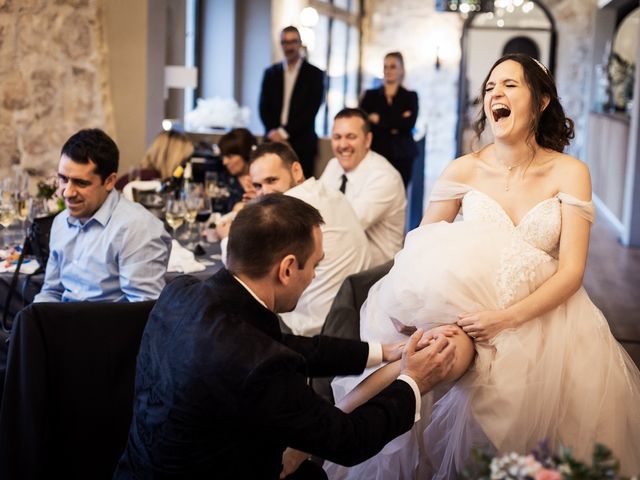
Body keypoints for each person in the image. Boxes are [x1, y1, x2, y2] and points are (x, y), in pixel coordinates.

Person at [324, 54, 640, 479]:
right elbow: (419, 245)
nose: (495, 94)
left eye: (510, 85)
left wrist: (504, 320)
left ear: (542, 100)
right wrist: (406, 306)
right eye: (490, 88)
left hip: (541, 319)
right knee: (429, 347)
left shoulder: (570, 172)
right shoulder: (464, 169)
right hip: (464, 312)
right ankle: (324, 429)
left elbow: (572, 272)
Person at [114, 194, 458, 479]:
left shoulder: (182, 293)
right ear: (288, 268)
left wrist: (382, 351)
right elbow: (349, 440)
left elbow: (287, 346)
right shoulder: (259, 367)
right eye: (315, 266)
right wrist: (414, 379)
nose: (313, 276)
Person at [33, 129, 171, 303]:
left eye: (80, 183)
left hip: (110, 328)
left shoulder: (137, 228)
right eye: (63, 179)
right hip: (62, 325)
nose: (67, 192)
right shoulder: (61, 221)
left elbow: (143, 311)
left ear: (109, 181)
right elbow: (52, 292)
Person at [250, 141, 371, 336]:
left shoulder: (290, 207)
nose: (264, 192)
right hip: (351, 318)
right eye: (257, 186)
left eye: (272, 181)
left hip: (309, 327)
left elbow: (243, 262)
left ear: (296, 171)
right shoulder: (327, 192)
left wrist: (224, 236)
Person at [319, 108, 406, 267]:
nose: (343, 145)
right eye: (337, 137)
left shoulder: (385, 177)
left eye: (351, 137)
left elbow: (346, 227)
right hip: (343, 264)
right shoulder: (334, 165)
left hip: (376, 276)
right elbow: (316, 209)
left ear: (367, 140)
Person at [259, 25, 325, 178]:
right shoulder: (270, 73)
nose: (288, 47)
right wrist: (274, 132)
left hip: (301, 143)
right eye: (284, 42)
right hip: (272, 141)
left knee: (300, 194)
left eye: (292, 42)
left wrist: (284, 133)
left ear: (300, 43)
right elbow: (263, 107)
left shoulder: (315, 74)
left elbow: (311, 109)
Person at [360, 52, 418, 187]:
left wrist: (379, 119)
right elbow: (362, 122)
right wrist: (397, 121)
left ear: (401, 70)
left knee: (400, 194)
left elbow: (409, 123)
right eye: (385, 67)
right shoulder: (370, 96)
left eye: (392, 67)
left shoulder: (410, 96)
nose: (388, 70)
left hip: (402, 155)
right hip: (377, 152)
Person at [218, 127, 258, 208]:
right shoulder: (224, 180)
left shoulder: (261, 183)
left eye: (230, 156)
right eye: (223, 156)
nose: (224, 162)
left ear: (246, 154)